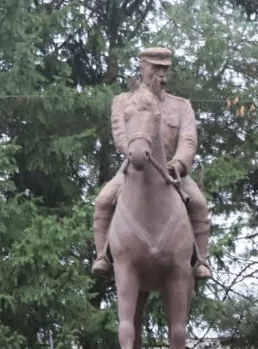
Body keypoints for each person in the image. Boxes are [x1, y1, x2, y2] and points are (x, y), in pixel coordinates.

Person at [91, 47, 212, 280]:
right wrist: (134, 153)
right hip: (133, 168)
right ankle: (102, 256)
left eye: (165, 68)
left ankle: (201, 261)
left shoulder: (181, 106)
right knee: (103, 201)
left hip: (173, 171)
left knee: (199, 204)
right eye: (155, 67)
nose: (161, 74)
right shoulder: (123, 101)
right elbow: (120, 134)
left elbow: (188, 140)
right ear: (143, 67)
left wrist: (178, 164)